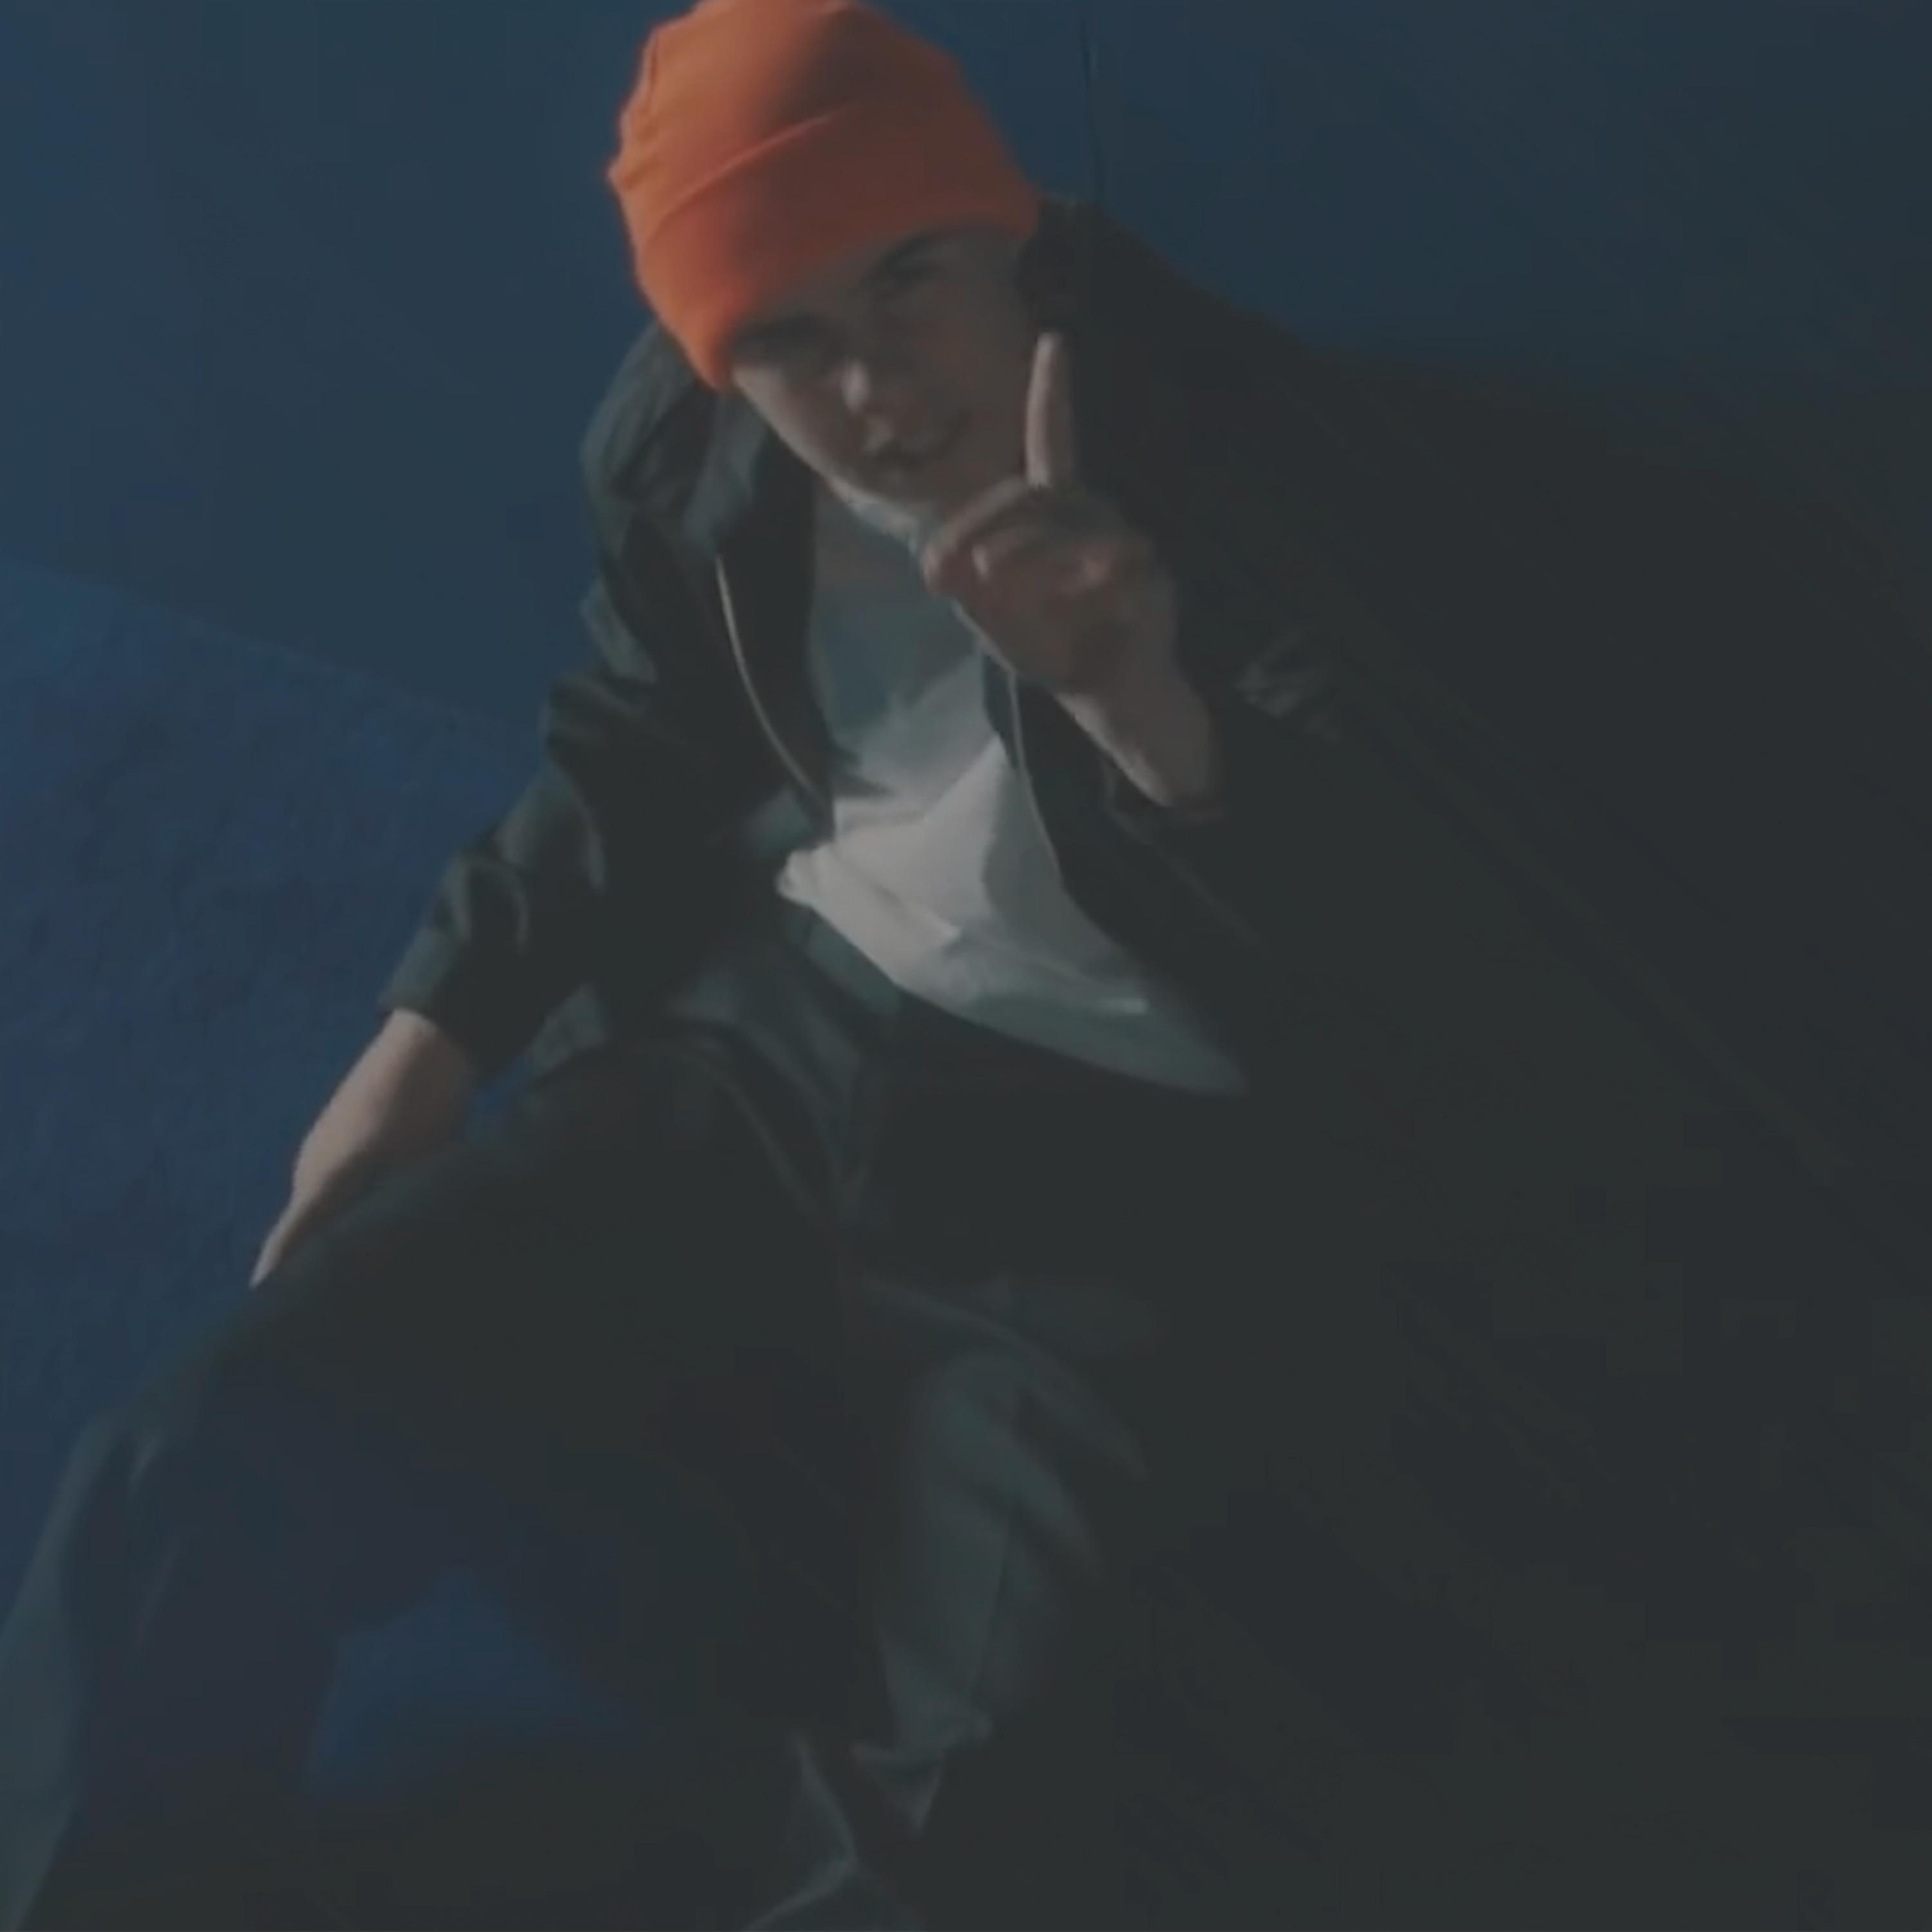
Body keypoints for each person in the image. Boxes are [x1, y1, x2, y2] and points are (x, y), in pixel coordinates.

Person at [4, 0, 1931, 1924]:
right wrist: (424, 1039)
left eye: (909, 277)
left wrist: (1138, 702)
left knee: (976, 1816)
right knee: (192, 1457)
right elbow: (632, 728)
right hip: (764, 1053)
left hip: (1110, 1168)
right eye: (788, 339)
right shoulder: (691, 435)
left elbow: (1419, 957)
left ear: (1007, 233)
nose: (872, 390)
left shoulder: (1242, 455)